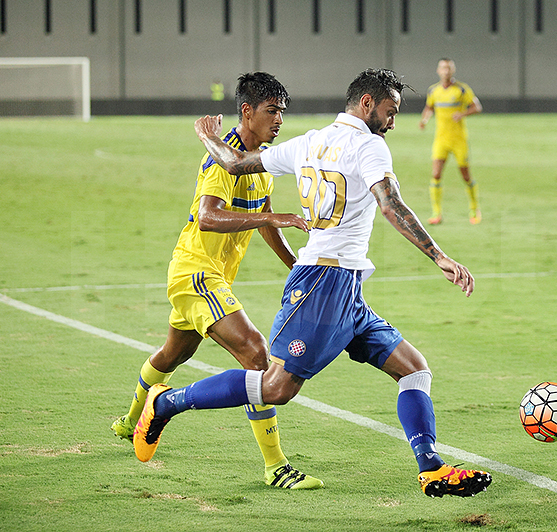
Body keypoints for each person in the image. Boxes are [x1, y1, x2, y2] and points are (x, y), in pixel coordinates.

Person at [133, 68, 492, 498]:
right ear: (366, 104)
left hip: (345, 287)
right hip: (324, 282)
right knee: (275, 387)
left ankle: (431, 468)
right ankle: (166, 403)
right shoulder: (369, 146)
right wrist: (439, 255)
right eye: (390, 111)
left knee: (414, 370)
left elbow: (236, 162)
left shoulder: (309, 141)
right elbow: (391, 204)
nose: (393, 121)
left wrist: (207, 137)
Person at [111, 72, 323, 489]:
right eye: (271, 111)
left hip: (206, 275)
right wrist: (270, 215)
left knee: (173, 354)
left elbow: (265, 225)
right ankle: (275, 466)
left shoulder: (258, 162)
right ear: (247, 111)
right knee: (258, 356)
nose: (279, 119)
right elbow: (208, 217)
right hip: (197, 273)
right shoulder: (220, 160)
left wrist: (297, 268)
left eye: (282, 111)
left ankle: (129, 420)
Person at [419, 58, 483, 225]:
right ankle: (436, 213)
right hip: (441, 139)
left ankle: (474, 209)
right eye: (443, 68)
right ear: (438, 71)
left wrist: (462, 114)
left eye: (448, 68)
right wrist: (425, 120)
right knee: (436, 174)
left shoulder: (462, 90)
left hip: (459, 140)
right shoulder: (433, 91)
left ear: (452, 70)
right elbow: (429, 107)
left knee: (465, 175)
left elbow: (477, 107)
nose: (445, 71)